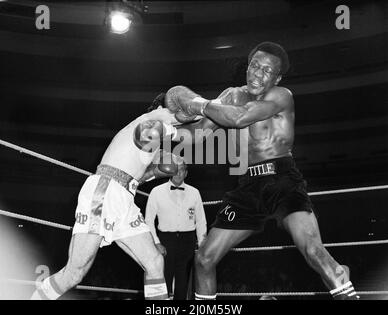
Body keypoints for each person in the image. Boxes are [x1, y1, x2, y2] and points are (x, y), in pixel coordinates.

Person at [164, 42, 360, 300]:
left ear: (277, 77)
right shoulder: (231, 95)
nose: (257, 73)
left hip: (282, 181)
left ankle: (343, 287)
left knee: (313, 250)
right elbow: (197, 135)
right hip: (246, 188)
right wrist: (163, 133)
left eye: (267, 71)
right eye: (254, 66)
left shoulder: (281, 95)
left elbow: (239, 118)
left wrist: (196, 101)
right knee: (204, 259)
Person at [30, 97, 188, 300]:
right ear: (159, 107)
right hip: (105, 191)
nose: (176, 115)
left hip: (123, 198)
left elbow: (140, 177)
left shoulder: (150, 143)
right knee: (74, 273)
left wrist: (161, 169)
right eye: (172, 110)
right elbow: (178, 119)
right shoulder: (151, 117)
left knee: (155, 263)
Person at [145, 161, 207, 300]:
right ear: (170, 171)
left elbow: (201, 221)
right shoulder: (157, 191)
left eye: (182, 170)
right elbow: (148, 220)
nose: (179, 173)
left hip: (188, 240)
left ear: (186, 173)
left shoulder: (194, 192)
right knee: (164, 277)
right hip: (165, 240)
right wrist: (156, 242)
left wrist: (202, 244)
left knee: (183, 280)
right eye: (176, 170)